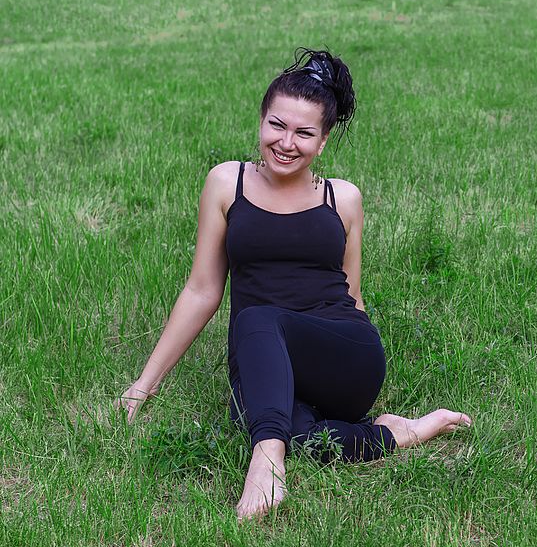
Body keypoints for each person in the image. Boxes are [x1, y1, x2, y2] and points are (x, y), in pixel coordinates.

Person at [116, 48, 472, 520]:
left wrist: (351, 350)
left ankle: (264, 464)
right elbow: (202, 290)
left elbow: (353, 294)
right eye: (277, 126)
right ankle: (402, 432)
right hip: (262, 352)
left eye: (304, 133)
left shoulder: (341, 198)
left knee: (258, 325)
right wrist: (144, 385)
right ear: (261, 122)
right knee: (303, 437)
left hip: (342, 355)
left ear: (322, 142)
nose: (287, 142)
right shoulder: (227, 184)